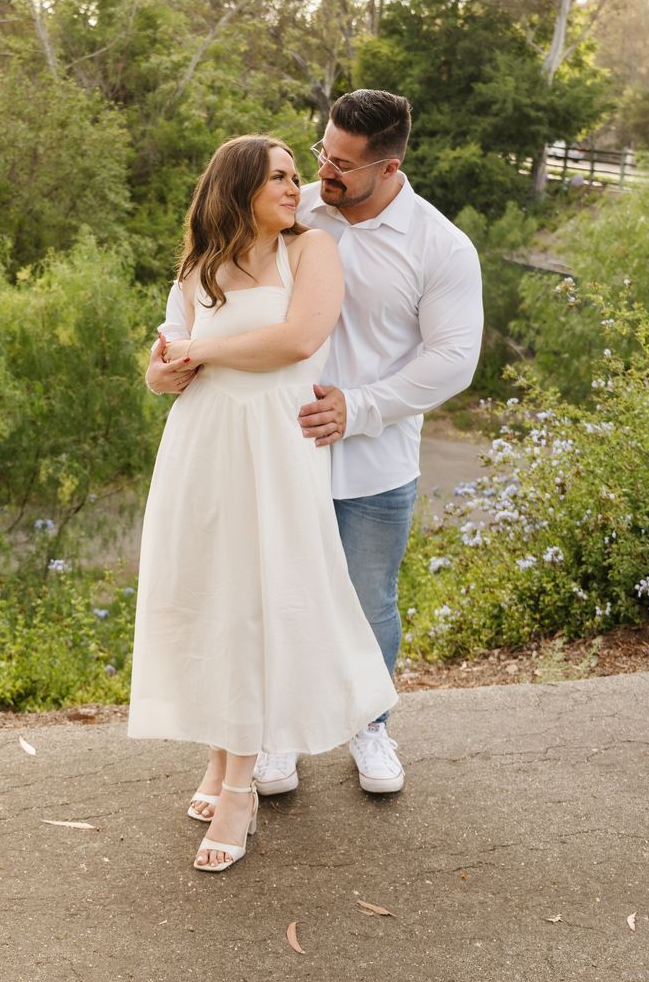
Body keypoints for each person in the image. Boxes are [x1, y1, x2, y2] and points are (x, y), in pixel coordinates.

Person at [154, 90, 484, 799]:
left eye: (341, 165)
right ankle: (274, 734)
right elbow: (207, 294)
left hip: (370, 456)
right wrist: (177, 360)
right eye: (321, 154)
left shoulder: (439, 245)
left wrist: (359, 408)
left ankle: (370, 726)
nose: (321, 174)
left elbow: (454, 357)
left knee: (367, 600)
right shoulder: (292, 209)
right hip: (267, 450)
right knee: (269, 594)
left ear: (388, 167)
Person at [128, 134, 398, 874]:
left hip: (273, 448)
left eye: (293, 174)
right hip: (202, 445)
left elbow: (298, 338)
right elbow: (161, 365)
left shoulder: (311, 252)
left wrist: (200, 356)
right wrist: (166, 373)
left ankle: (242, 787)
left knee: (256, 600)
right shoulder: (199, 265)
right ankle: (221, 762)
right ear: (238, 186)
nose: (295, 186)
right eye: (278, 176)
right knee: (213, 599)